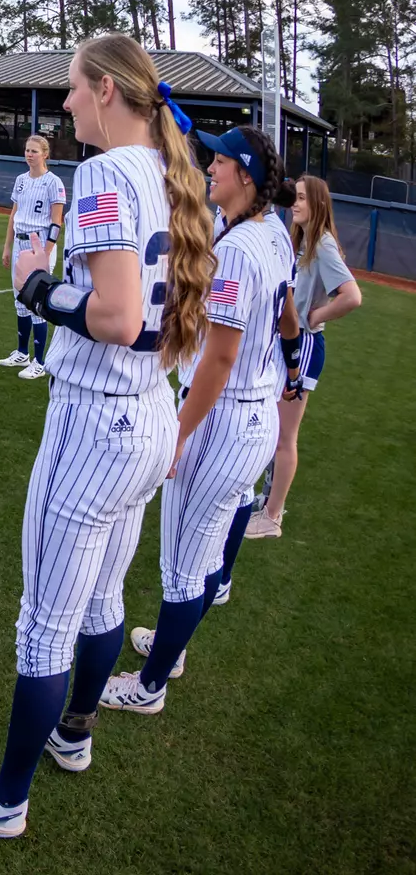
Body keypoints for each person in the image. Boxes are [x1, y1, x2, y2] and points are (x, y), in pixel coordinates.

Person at [0, 35, 214, 838]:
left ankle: (7, 799)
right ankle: (74, 732)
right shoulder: (171, 170)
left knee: (45, 621)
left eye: (75, 89)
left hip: (97, 416)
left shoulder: (106, 173)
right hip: (150, 410)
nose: (65, 104)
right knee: (101, 598)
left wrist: (40, 289)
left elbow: (117, 317)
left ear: (110, 93)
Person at [102, 126, 299, 714]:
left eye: (218, 162)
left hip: (225, 418)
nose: (209, 168)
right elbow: (287, 316)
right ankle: (172, 645)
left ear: (244, 175)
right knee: (202, 556)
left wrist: (179, 433)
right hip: (253, 413)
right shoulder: (270, 233)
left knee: (185, 566)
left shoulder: (240, 246)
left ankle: (150, 685)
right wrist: (289, 361)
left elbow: (221, 354)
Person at [245, 173, 362, 539]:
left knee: (284, 436)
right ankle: (263, 502)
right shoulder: (301, 239)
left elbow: (352, 295)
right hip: (289, 343)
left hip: (306, 346)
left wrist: (315, 316)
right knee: (273, 427)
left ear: (317, 204)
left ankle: (273, 516)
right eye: (293, 198)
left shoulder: (323, 244)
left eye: (300, 198)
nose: (293, 204)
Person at [0, 135, 67, 380]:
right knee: (19, 299)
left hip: (40, 245)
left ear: (45, 154)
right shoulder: (21, 180)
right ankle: (21, 353)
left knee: (36, 301)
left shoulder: (53, 182)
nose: (29, 154)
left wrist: (46, 254)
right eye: (27, 150)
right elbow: (13, 215)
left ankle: (40, 360)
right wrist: (7, 247)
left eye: (34, 151)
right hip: (20, 242)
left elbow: (56, 222)